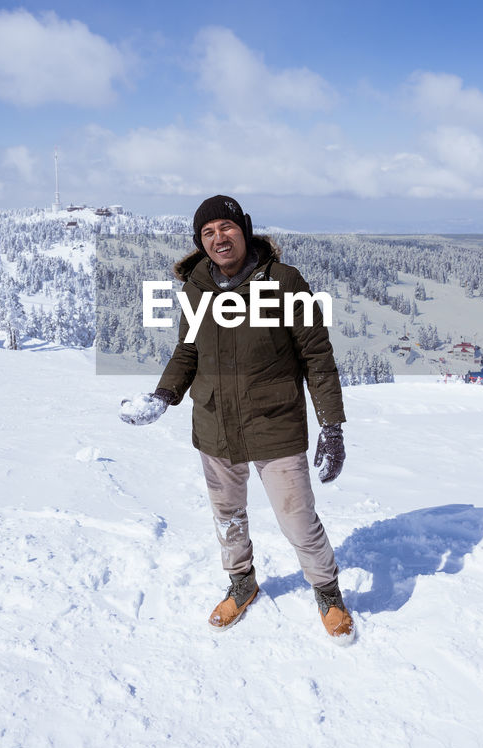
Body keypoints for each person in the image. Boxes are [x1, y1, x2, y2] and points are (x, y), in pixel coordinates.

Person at [120, 194, 353, 643]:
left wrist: (332, 424)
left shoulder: (285, 282)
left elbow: (316, 356)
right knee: (228, 516)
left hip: (274, 422)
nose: (218, 238)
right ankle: (242, 583)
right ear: (200, 242)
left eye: (225, 228)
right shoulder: (196, 289)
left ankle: (327, 590)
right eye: (207, 233)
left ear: (243, 230)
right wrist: (164, 395)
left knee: (298, 519)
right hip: (214, 424)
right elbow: (189, 350)